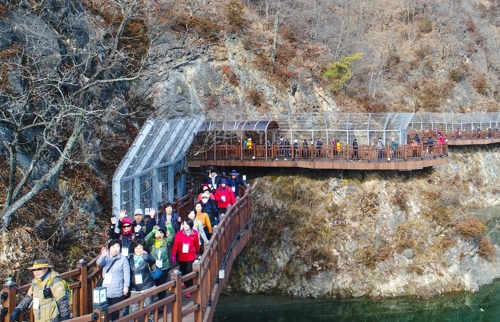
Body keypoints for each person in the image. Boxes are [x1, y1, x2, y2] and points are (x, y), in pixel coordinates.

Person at [97, 239, 130, 321]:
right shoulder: (106, 257)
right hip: (106, 289)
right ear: (109, 248)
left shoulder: (123, 259)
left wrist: (126, 286)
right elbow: (99, 263)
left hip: (117, 289)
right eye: (113, 247)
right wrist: (103, 256)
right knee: (105, 311)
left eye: (117, 246)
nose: (116, 249)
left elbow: (127, 273)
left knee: (115, 311)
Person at [145, 222, 175, 304]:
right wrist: (153, 231)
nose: (159, 234)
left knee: (162, 285)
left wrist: (169, 226)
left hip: (164, 267)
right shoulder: (152, 243)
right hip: (154, 268)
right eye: (157, 233)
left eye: (161, 232)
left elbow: (172, 235)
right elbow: (146, 240)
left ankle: (162, 303)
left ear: (164, 234)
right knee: (157, 286)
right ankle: (160, 300)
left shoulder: (166, 243)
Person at [171, 218, 200, 298]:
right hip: (181, 255)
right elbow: (176, 244)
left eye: (186, 224)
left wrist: (198, 251)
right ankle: (185, 284)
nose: (185, 225)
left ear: (190, 225)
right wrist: (174, 254)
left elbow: (196, 243)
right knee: (183, 271)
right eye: (183, 224)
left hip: (190, 256)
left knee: (189, 271)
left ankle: (189, 290)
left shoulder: (194, 233)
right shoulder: (179, 233)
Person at [128, 240, 155, 322]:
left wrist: (145, 255)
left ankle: (150, 319)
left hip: (147, 285)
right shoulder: (130, 258)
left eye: (141, 248)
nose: (139, 249)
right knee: (133, 307)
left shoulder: (146, 257)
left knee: (149, 306)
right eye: (137, 247)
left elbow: (152, 260)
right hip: (134, 287)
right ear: (133, 248)